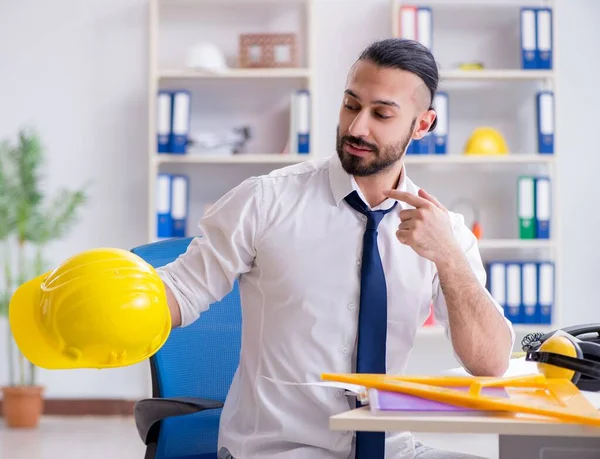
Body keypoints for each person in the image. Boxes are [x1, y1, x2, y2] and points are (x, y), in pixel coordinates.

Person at [157, 38, 515, 459]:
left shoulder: (443, 232)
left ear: (422, 125)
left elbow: (490, 365)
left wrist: (450, 257)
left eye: (381, 114)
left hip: (394, 448)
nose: (357, 128)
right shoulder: (266, 201)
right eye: (350, 105)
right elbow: (179, 291)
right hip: (280, 449)